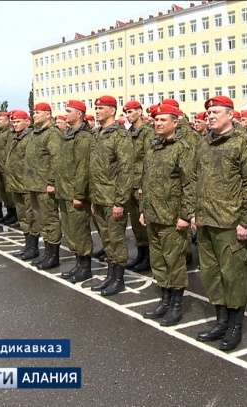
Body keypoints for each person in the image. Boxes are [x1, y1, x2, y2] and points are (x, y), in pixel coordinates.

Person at [193, 95, 247, 351]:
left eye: (216, 112)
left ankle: (235, 325)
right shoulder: (204, 143)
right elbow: (195, 178)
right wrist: (192, 212)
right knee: (210, 274)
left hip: (230, 222)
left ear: (230, 115)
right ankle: (220, 320)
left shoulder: (243, 142)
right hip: (206, 219)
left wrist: (246, 221)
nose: (210, 116)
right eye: (208, 112)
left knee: (233, 277)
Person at [139, 103, 194, 326]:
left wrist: (184, 215)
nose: (158, 123)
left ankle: (176, 304)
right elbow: (147, 181)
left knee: (174, 262)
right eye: (156, 120)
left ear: (175, 122)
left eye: (163, 120)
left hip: (172, 217)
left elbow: (189, 183)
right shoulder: (153, 147)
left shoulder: (182, 148)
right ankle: (164, 299)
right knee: (159, 261)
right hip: (153, 214)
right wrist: (144, 209)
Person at [87, 96, 134, 296]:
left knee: (116, 239)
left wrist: (120, 201)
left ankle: (118, 279)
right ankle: (110, 275)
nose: (97, 111)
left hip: (112, 198)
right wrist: (92, 197)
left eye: (101, 108)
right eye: (96, 108)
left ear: (112, 111)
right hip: (98, 197)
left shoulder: (119, 135)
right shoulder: (97, 133)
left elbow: (126, 169)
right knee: (106, 239)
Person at [57, 100, 94, 283]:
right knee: (70, 231)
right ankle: (78, 264)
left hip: (75, 192)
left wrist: (79, 194)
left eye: (69, 111)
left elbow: (82, 168)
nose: (65, 113)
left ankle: (85, 267)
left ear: (79, 114)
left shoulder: (84, 137)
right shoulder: (66, 134)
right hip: (64, 190)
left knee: (80, 230)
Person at [25, 103, 63, 270]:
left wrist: (52, 182)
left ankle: (53, 255)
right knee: (40, 219)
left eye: (38, 112)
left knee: (50, 220)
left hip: (44, 185)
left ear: (48, 114)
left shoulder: (52, 134)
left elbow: (56, 160)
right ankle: (46, 253)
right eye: (34, 112)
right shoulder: (36, 133)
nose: (34, 115)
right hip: (34, 183)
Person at [122, 100, 153, 273]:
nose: (128, 115)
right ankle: (141, 254)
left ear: (140, 111)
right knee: (134, 222)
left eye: (131, 112)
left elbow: (149, 159)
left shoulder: (147, 132)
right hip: (130, 183)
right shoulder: (128, 133)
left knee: (144, 222)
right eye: (126, 113)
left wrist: (143, 184)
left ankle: (148, 257)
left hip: (141, 183)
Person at [5, 110, 40, 260]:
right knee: (23, 217)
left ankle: (33, 247)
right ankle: (28, 245)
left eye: (18, 121)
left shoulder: (31, 137)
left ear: (27, 121)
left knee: (31, 216)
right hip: (15, 183)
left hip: (27, 184)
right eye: (13, 122)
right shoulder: (14, 137)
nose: (15, 124)